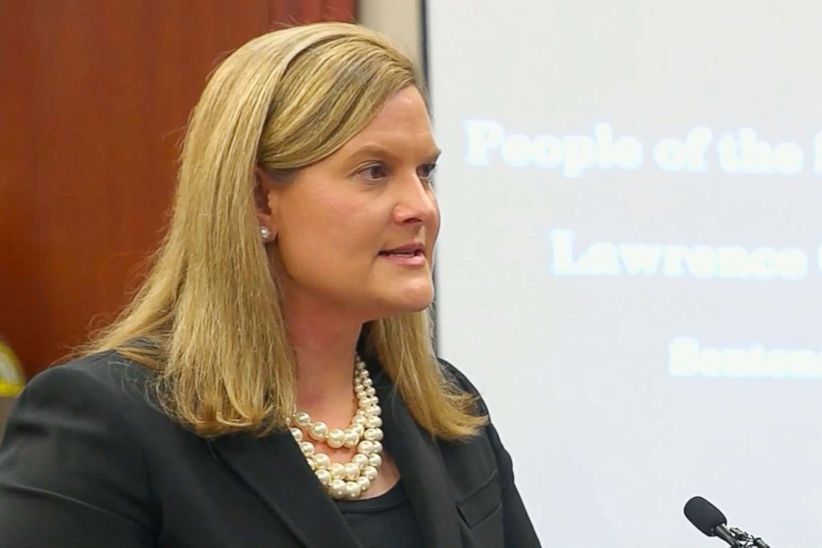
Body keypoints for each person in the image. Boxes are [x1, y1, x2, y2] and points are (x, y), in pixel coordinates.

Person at [0, 22, 540, 548]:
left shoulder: (446, 408)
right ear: (260, 200)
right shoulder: (105, 425)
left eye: (424, 172)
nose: (421, 206)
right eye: (374, 171)